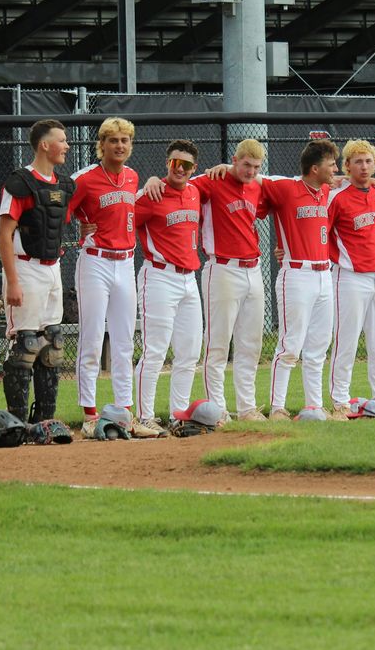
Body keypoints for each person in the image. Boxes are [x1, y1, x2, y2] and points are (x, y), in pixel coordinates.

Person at [144, 139, 269, 421]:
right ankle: (218, 409)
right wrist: (153, 178)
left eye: (256, 166)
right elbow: (178, 182)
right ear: (235, 160)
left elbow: (281, 190)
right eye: (245, 164)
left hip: (254, 268)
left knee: (251, 343)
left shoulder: (257, 186)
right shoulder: (211, 180)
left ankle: (247, 407)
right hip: (222, 266)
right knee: (218, 344)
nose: (250, 171)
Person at [70, 117, 155, 438]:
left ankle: (124, 412)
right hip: (95, 262)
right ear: (101, 144)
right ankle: (90, 415)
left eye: (125, 140)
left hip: (125, 263)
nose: (120, 146)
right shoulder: (86, 179)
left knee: (123, 342)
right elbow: (62, 209)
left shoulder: (132, 177)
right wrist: (79, 221)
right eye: (113, 140)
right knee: (91, 340)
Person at [0, 119, 74, 425]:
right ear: (45, 145)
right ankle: (16, 422)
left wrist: (87, 226)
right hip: (24, 267)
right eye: (62, 140)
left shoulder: (63, 185)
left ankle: (44, 421)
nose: (67, 146)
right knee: (26, 344)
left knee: (52, 342)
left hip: (52, 268)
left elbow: (62, 219)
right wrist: (12, 281)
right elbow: (3, 234)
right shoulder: (20, 183)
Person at [261, 138, 340, 419]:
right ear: (315, 168)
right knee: (290, 345)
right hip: (296, 274)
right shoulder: (286, 187)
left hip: (324, 276)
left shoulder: (326, 190)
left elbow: (343, 181)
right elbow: (253, 178)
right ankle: (277, 407)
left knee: (318, 347)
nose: (335, 168)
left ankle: (313, 407)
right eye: (331, 164)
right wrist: (224, 166)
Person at [131, 140, 203, 435]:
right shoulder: (152, 193)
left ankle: (178, 415)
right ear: (167, 163)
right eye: (175, 163)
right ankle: (144, 416)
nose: (180, 169)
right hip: (158, 276)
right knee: (155, 351)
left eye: (186, 165)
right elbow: (122, 215)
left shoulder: (196, 190)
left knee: (188, 353)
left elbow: (221, 177)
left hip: (189, 279)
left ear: (194, 168)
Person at [326, 139, 375, 419]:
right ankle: (340, 400)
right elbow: (322, 233)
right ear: (347, 166)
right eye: (357, 161)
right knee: (347, 340)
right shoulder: (337, 197)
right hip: (349, 276)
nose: (363, 166)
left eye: (368, 161)